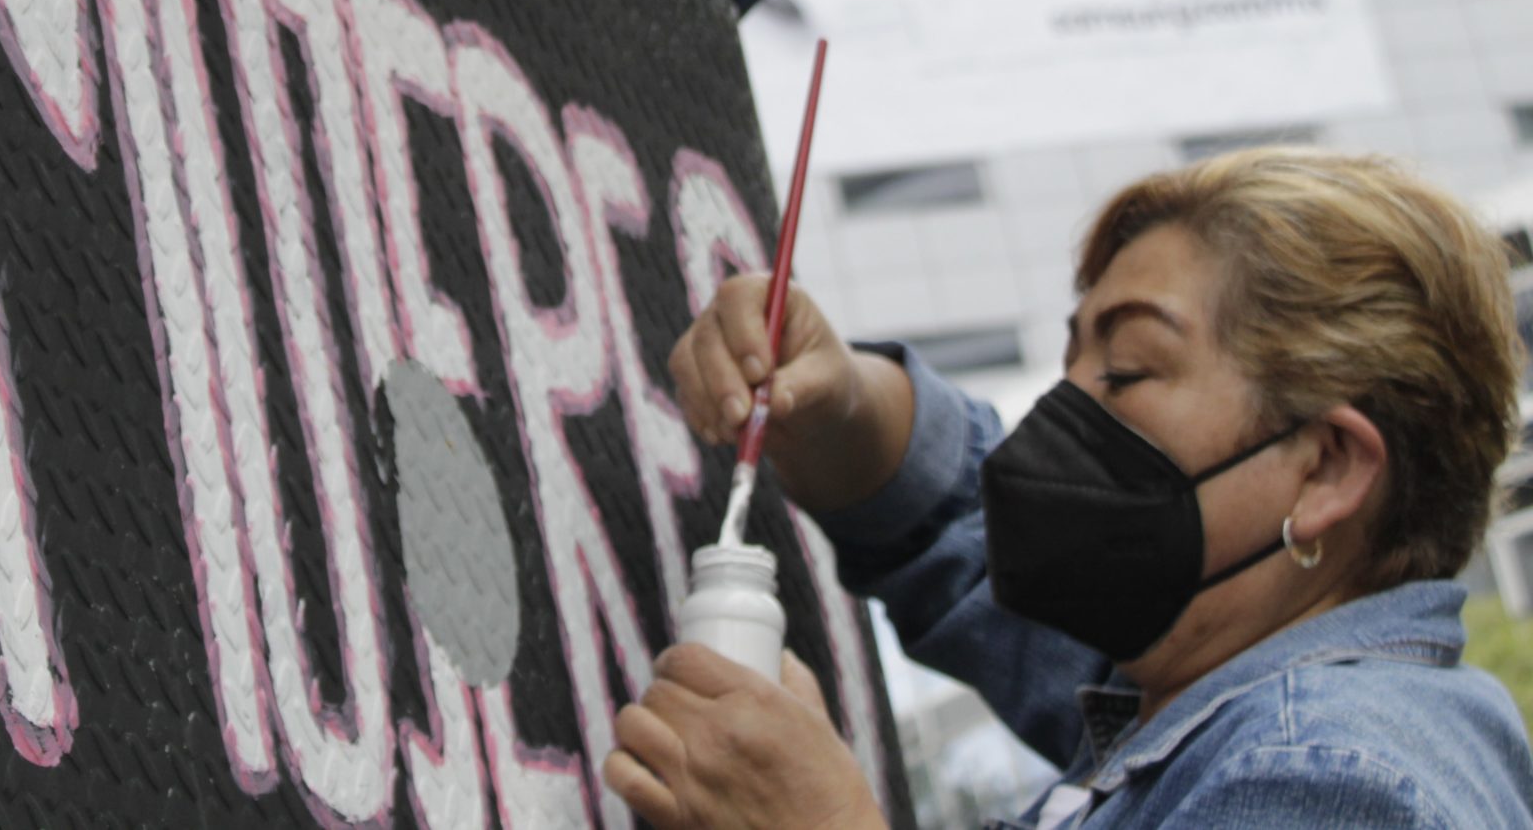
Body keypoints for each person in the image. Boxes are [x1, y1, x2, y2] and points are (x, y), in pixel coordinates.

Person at [611, 147, 1533, 828]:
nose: (1062, 419)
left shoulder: (1325, 773)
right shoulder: (1196, 683)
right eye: (1070, 362)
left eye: (1127, 371)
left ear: (1328, 463)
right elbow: (962, 542)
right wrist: (839, 398)